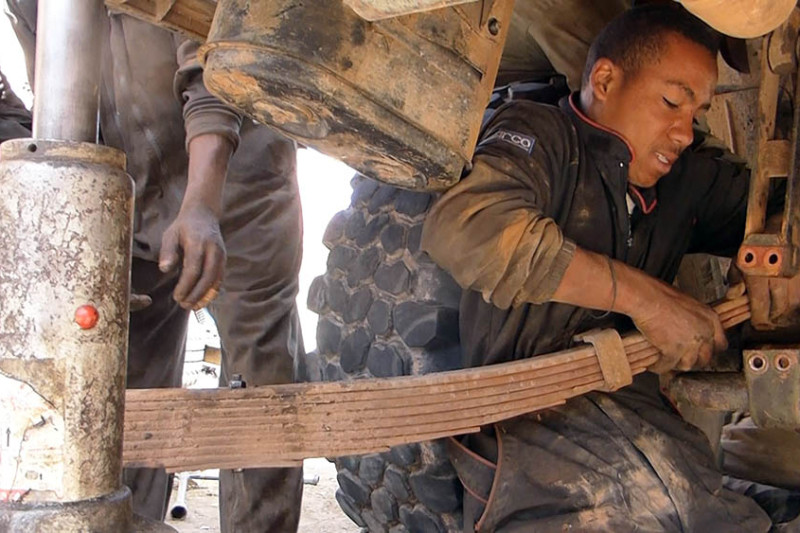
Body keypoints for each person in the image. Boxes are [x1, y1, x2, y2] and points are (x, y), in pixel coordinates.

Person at [422, 4, 800, 531]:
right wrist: (647, 301)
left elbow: (776, 211)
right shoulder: (543, 135)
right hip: (534, 457)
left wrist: (776, 252)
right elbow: (465, 229)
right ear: (603, 81)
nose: (684, 132)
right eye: (671, 102)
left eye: (696, 113)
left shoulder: (687, 179)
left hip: (662, 450)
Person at [5, 3, 306, 531]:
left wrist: (202, 204)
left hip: (236, 195)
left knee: (260, 387)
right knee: (119, 388)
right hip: (128, 201)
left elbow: (214, 65)